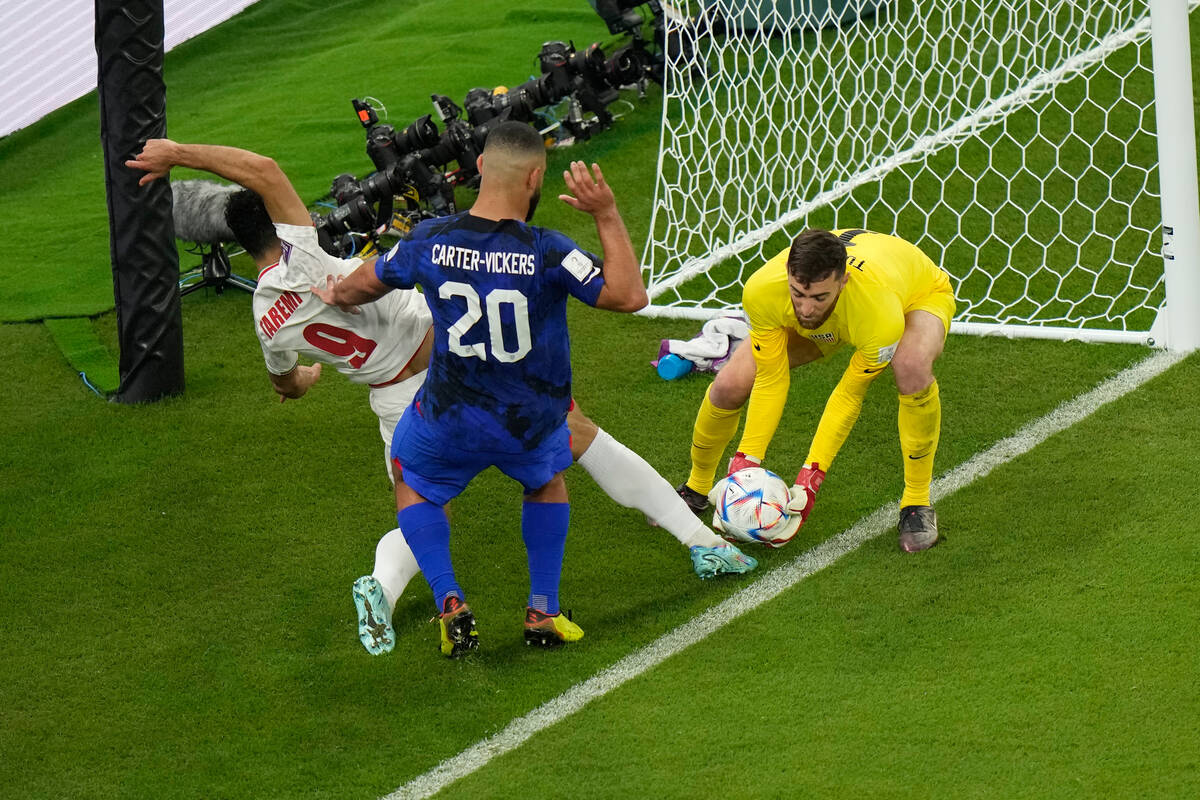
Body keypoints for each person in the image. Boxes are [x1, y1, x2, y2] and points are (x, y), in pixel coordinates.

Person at [127, 135, 756, 658]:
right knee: (571, 443)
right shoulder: (319, 249)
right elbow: (264, 171)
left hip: (404, 402)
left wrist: (306, 375)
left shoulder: (269, 316)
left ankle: (392, 590)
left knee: (420, 500)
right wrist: (177, 150)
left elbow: (290, 373)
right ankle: (686, 547)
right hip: (470, 373)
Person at [312, 122, 752, 657]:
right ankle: (543, 609)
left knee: (414, 481)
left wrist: (335, 292)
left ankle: (450, 599)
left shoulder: (429, 239)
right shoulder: (548, 251)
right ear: (537, 176)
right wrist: (606, 213)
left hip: (449, 415)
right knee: (546, 479)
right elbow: (628, 295)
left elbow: (367, 282)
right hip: (532, 419)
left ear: (478, 169)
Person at [677, 228, 955, 553]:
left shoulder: (879, 315)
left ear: (843, 281)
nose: (806, 309)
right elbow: (771, 375)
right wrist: (746, 459)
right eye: (798, 294)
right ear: (788, 276)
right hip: (844, 313)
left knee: (910, 365)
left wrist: (810, 479)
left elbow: (848, 394)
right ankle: (696, 488)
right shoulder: (763, 290)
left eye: (818, 297)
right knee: (729, 384)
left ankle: (917, 503)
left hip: (918, 294)